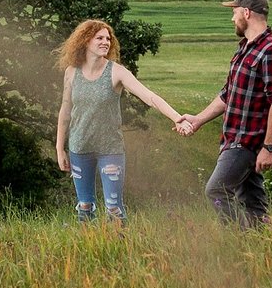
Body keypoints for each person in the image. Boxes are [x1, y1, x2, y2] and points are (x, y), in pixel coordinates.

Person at [175, 0, 272, 227]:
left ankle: (241, 238)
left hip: (248, 143)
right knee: (253, 204)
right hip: (232, 138)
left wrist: (269, 147)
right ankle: (263, 246)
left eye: (234, 12)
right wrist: (197, 120)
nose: (232, 18)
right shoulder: (245, 48)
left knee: (216, 191)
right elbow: (228, 94)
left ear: (246, 13)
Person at [53, 18, 182, 224]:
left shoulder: (116, 72)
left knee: (113, 207)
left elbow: (149, 96)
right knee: (84, 206)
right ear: (85, 41)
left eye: (108, 38)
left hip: (110, 149)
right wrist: (60, 148)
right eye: (99, 38)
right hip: (79, 148)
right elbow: (65, 111)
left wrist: (176, 117)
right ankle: (89, 250)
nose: (106, 42)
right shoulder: (71, 73)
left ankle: (120, 246)